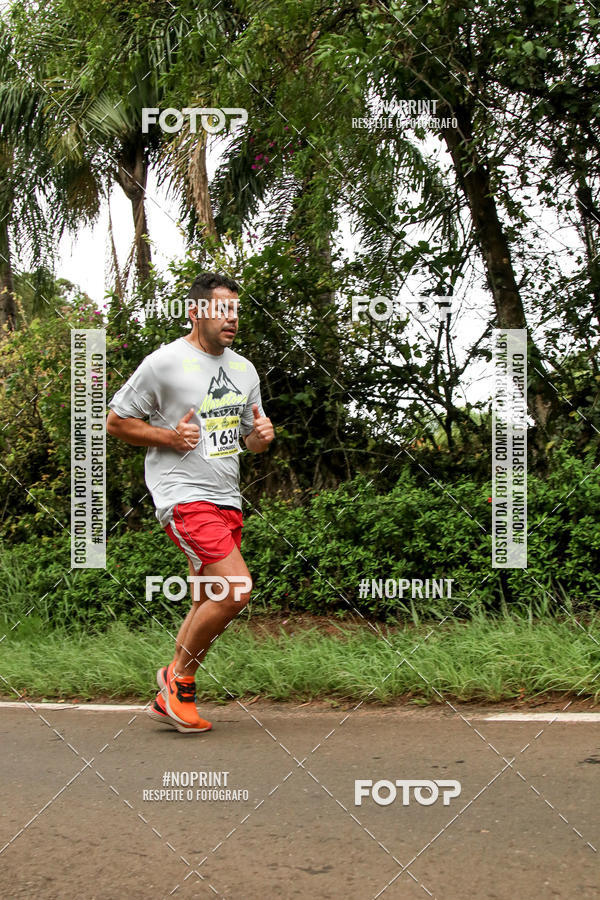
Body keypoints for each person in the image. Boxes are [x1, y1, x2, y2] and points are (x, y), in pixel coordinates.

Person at [106, 272, 274, 733]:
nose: (232, 318)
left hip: (227, 497)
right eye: (222, 309)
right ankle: (179, 682)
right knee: (235, 589)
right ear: (196, 311)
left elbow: (249, 438)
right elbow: (117, 422)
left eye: (236, 310)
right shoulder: (163, 363)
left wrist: (261, 438)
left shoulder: (244, 370)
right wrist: (168, 436)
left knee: (207, 598)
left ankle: (172, 685)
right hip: (182, 495)